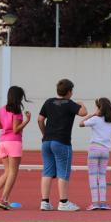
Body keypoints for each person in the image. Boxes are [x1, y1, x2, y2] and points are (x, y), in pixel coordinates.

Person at [38, 79, 87, 211]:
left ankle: (45, 202)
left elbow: (40, 119)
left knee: (47, 171)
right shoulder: (69, 104)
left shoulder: (48, 102)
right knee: (63, 172)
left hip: (47, 141)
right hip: (61, 141)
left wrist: (44, 133)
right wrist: (81, 104)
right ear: (69, 91)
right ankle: (63, 202)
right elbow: (83, 113)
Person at [0, 86, 31, 210]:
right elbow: (16, 130)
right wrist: (27, 121)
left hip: (2, 142)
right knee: (13, 172)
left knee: (7, 171)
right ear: (19, 97)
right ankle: (4, 199)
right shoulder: (17, 111)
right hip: (13, 142)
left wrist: (6, 126)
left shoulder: (2, 109)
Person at [79, 97, 111, 210]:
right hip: (105, 151)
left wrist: (92, 114)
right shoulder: (109, 121)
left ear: (99, 108)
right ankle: (103, 202)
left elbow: (81, 123)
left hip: (94, 149)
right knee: (102, 176)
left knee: (93, 176)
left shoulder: (95, 119)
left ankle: (95, 203)